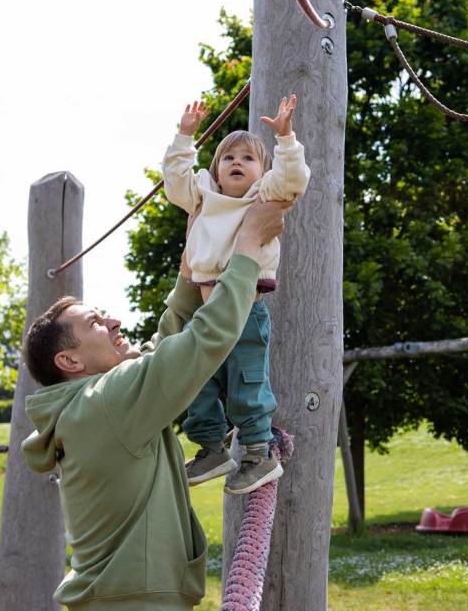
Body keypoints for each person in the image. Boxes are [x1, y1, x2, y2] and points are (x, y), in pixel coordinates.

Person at [19, 200, 290, 611]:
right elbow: (205, 338)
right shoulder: (105, 402)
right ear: (70, 362)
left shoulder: (92, 405)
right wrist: (248, 245)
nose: (113, 323)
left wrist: (193, 259)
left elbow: (164, 346)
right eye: (95, 323)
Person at [161, 94, 310, 494]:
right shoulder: (204, 196)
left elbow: (294, 179)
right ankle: (211, 448)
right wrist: (184, 136)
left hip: (245, 310)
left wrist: (285, 138)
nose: (237, 163)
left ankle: (258, 454)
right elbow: (175, 181)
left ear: (261, 171)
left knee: (246, 384)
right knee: (198, 383)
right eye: (228, 158)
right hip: (205, 314)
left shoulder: (261, 195)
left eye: (247, 158)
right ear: (216, 170)